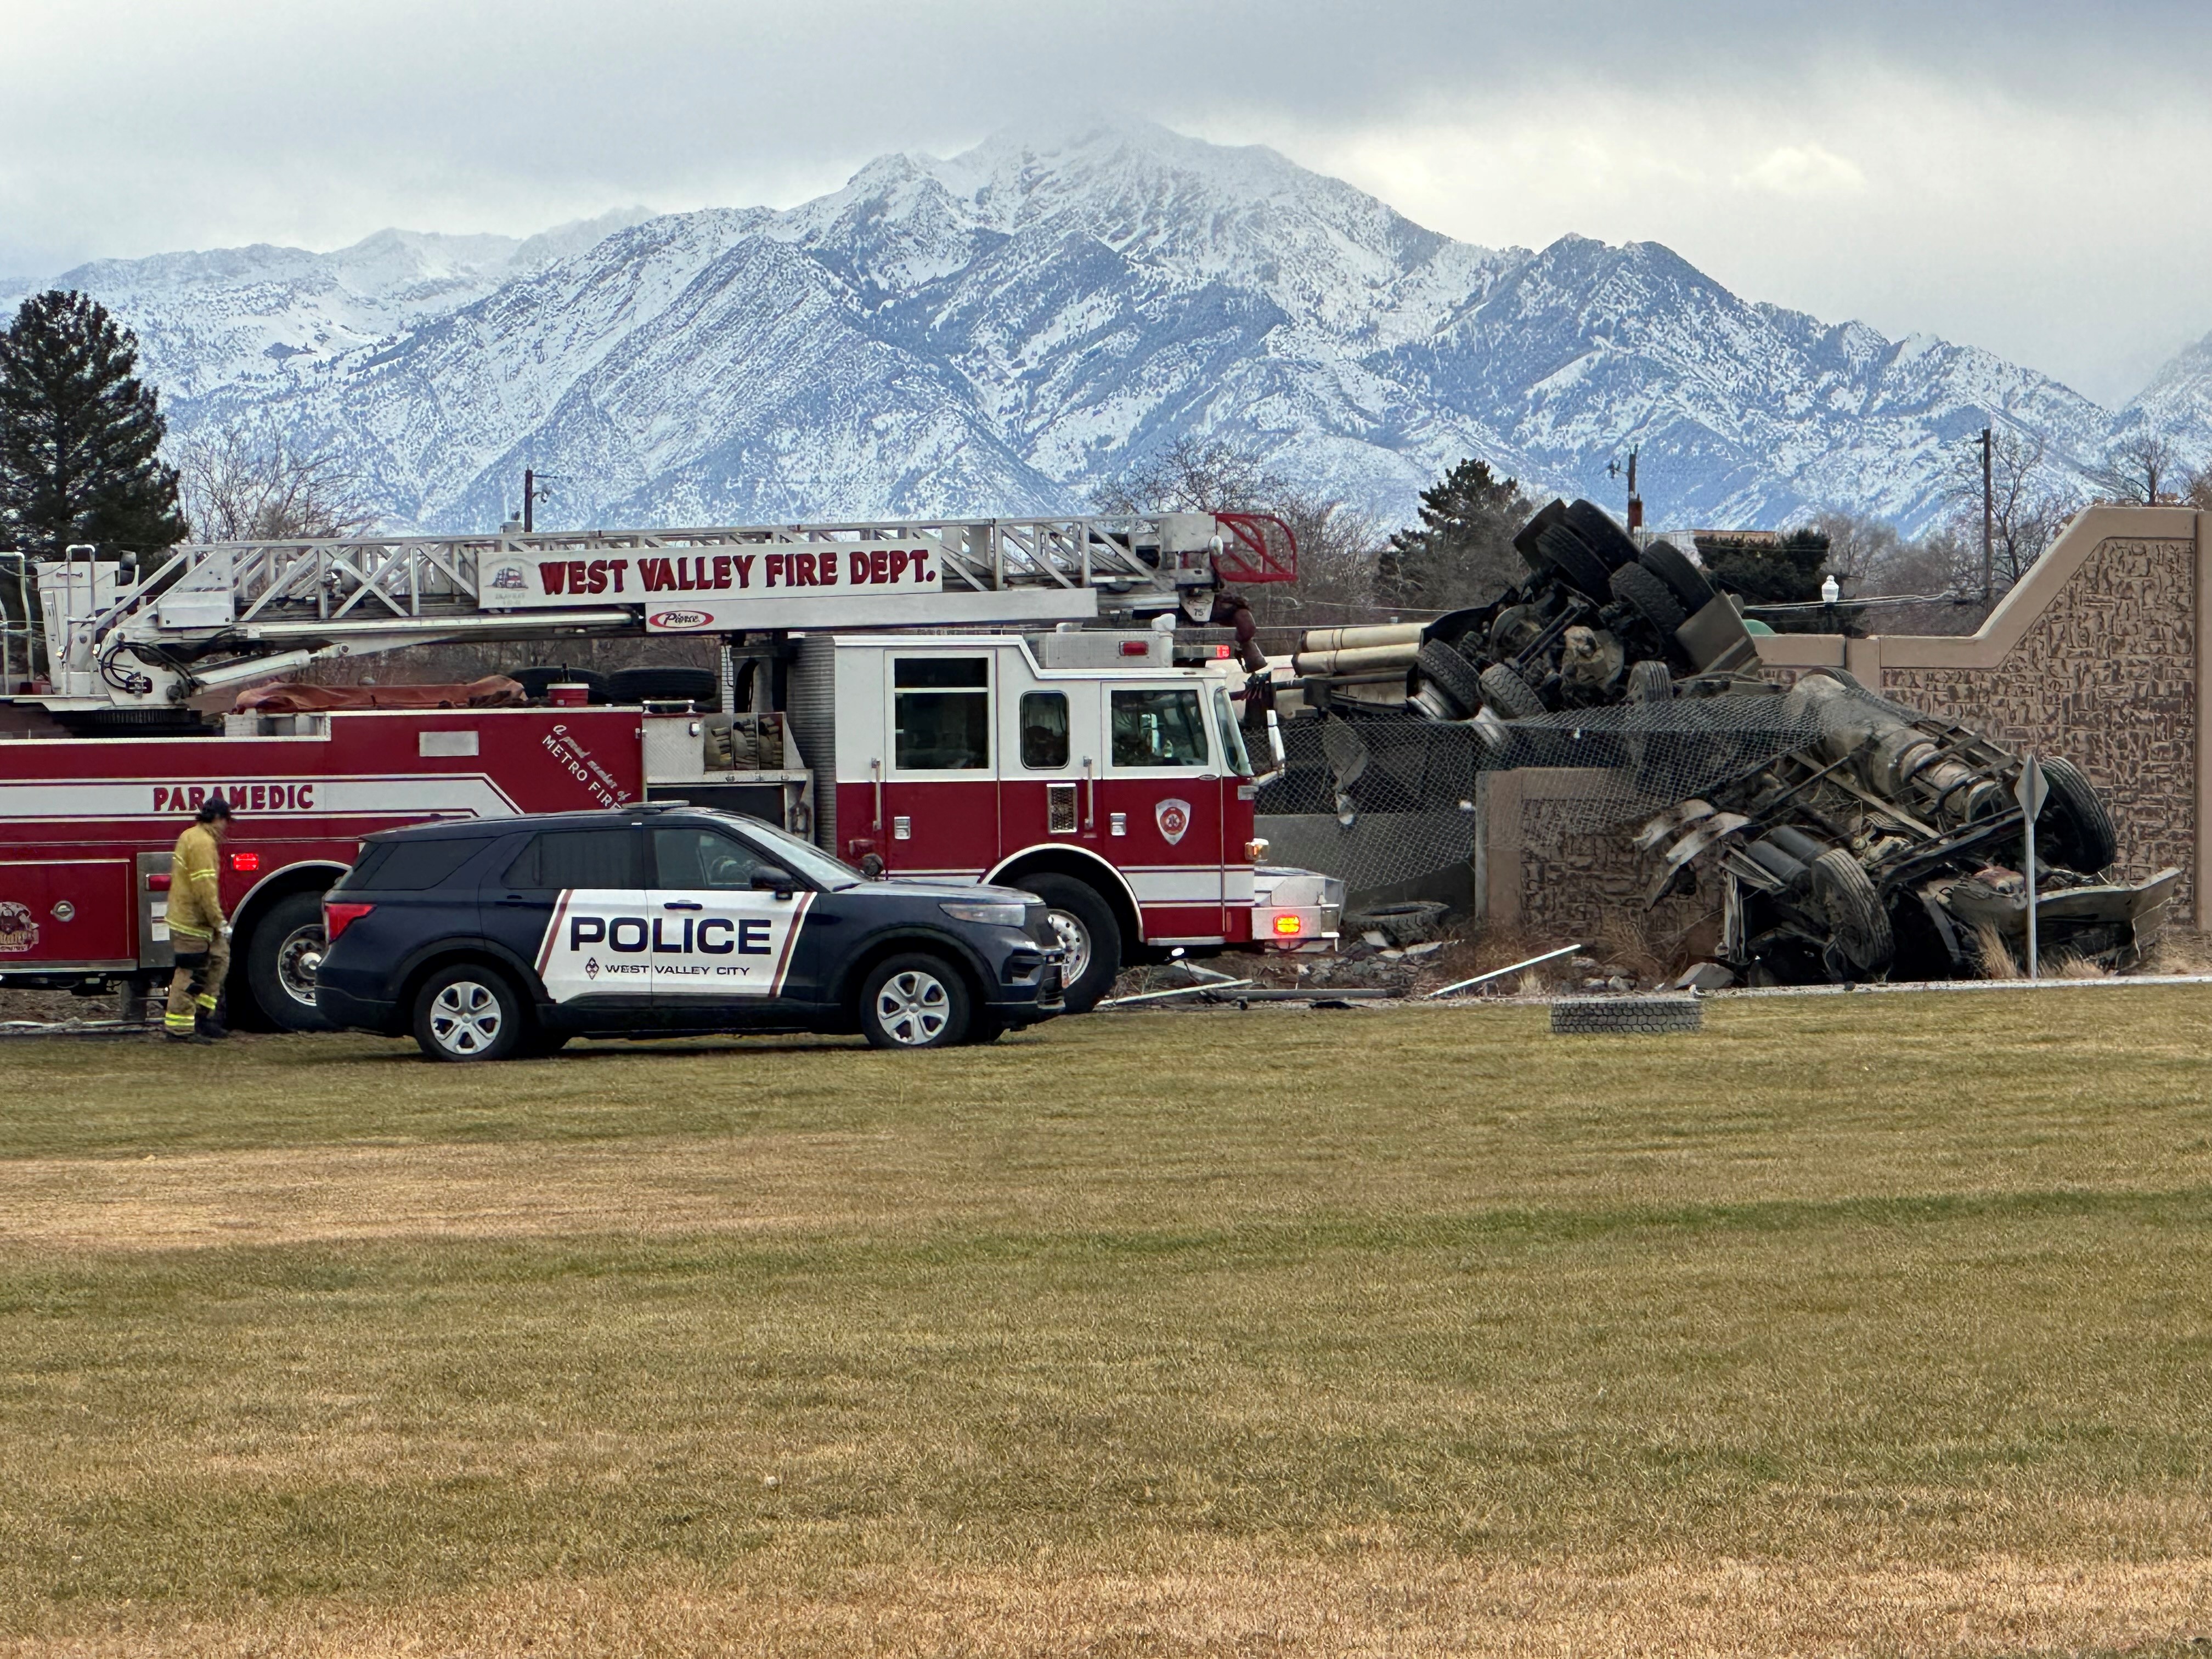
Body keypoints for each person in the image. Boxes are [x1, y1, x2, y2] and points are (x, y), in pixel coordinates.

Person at [163, 798, 233, 1043]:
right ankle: (179, 1029)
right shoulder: (202, 842)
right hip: (193, 921)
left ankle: (203, 1018)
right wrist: (219, 921)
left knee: (218, 961)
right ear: (218, 818)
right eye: (226, 821)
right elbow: (204, 887)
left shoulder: (192, 835)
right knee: (191, 972)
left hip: (193, 918)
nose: (226, 827)